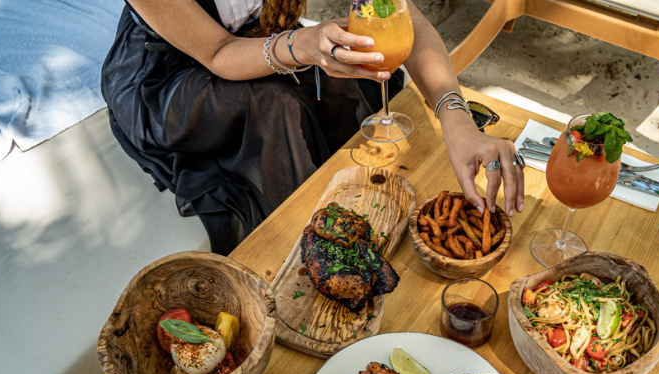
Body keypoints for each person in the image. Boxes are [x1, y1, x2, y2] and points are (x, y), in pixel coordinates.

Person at [102, 0, 525, 254]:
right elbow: (218, 53)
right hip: (164, 76)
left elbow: (399, 12)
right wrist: (301, 45)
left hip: (258, 38)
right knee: (280, 107)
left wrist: (457, 120)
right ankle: (319, 261)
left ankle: (370, 224)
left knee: (352, 76)